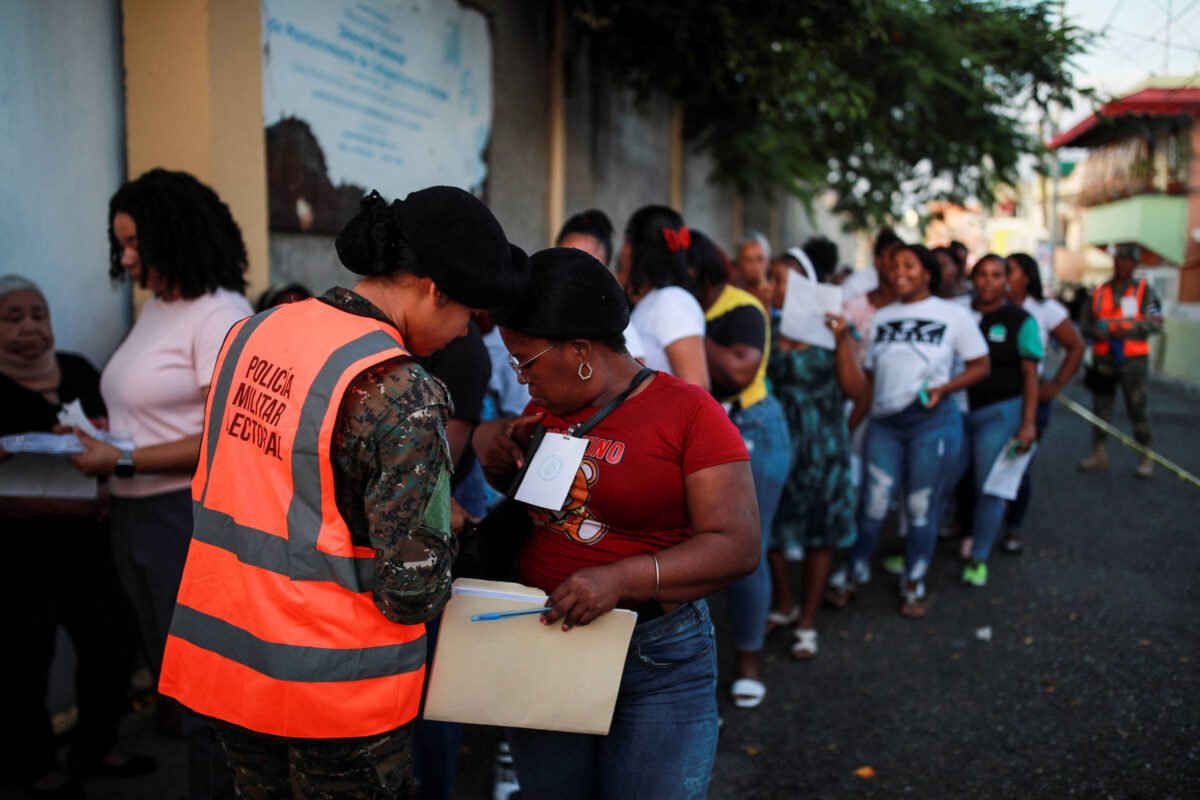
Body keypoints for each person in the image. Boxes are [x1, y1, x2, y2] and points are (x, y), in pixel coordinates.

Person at [156, 187, 529, 797]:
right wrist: (446, 530)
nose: (465, 334)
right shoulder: (401, 390)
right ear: (434, 289)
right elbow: (411, 592)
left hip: (231, 665)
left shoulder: (251, 333)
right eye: (470, 314)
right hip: (335, 693)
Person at [474, 247, 759, 799]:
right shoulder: (546, 412)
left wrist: (621, 579)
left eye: (526, 361)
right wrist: (498, 456)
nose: (521, 378)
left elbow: (737, 545)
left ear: (580, 350)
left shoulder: (690, 413)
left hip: (654, 656)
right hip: (544, 642)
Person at [68, 168, 254, 798]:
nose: (124, 257)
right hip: (134, 517)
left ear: (173, 234)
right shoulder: (158, 309)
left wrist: (120, 460)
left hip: (182, 518)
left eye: (133, 243)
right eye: (118, 243)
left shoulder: (219, 313)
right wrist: (104, 437)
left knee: (206, 697)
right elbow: (156, 414)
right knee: (178, 687)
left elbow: (224, 437)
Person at [0, 276, 154, 797]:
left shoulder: (80, 371)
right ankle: (37, 764)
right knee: (24, 659)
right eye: (13, 317)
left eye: (37, 315)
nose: (29, 328)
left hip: (88, 540)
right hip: (17, 550)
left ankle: (95, 746)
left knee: (113, 641)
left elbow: (119, 436)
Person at [829, 245, 989, 617]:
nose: (898, 271)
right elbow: (871, 380)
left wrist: (944, 388)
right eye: (894, 265)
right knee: (873, 504)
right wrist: (851, 426)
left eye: (908, 265)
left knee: (920, 507)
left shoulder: (953, 314)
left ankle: (914, 580)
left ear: (927, 273)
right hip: (884, 424)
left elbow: (981, 365)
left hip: (931, 423)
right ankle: (853, 571)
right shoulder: (882, 318)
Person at [688, 231, 789, 705]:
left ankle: (748, 659)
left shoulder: (742, 308)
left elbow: (737, 371)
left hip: (753, 427)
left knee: (748, 547)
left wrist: (686, 329)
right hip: (699, 428)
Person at [763, 239, 868, 659]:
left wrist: (841, 340)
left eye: (782, 281)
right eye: (772, 280)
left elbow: (857, 390)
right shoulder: (768, 331)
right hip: (780, 442)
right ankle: (784, 603)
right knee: (772, 526)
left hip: (824, 447)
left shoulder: (835, 329)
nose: (773, 288)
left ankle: (806, 620)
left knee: (820, 534)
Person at [959, 255, 1042, 587]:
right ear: (972, 278)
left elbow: (1031, 375)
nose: (988, 281)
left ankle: (979, 557)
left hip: (999, 413)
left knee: (990, 485)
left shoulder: (1020, 320)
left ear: (1007, 280)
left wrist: (1028, 423)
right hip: (955, 410)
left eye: (996, 275)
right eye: (981, 274)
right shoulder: (958, 313)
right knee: (946, 482)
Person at [1003, 252, 1084, 552]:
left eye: (1009, 271)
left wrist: (1055, 385)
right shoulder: (992, 305)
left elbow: (1076, 346)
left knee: (1018, 464)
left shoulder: (1045, 309)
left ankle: (1013, 527)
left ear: (1026, 276)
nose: (1003, 277)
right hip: (994, 396)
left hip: (1030, 397)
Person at [1078, 244, 1162, 478]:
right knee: (1101, 408)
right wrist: (1094, 331)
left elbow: (1156, 322)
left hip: (1133, 359)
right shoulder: (1101, 290)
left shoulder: (1144, 291)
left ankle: (1146, 456)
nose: (1122, 264)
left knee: (1137, 408)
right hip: (1104, 358)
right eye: (1119, 259)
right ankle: (1099, 453)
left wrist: (1128, 329)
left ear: (1135, 264)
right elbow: (1084, 322)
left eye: (1127, 260)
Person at [619, 205, 709, 388]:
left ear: (633, 249)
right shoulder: (656, 300)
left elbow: (696, 387)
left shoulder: (672, 301)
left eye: (626, 241)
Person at [556, 209, 646, 361]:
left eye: (588, 265)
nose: (575, 273)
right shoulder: (540, 313)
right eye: (565, 259)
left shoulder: (616, 325)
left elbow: (636, 370)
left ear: (607, 273)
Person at [841, 226, 903, 300]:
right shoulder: (855, 284)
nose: (897, 262)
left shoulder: (903, 283)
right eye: (892, 257)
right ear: (878, 260)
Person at [732, 231, 773, 309]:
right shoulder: (732, 296)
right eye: (748, 259)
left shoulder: (775, 297)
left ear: (768, 261)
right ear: (739, 262)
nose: (755, 265)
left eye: (760, 259)